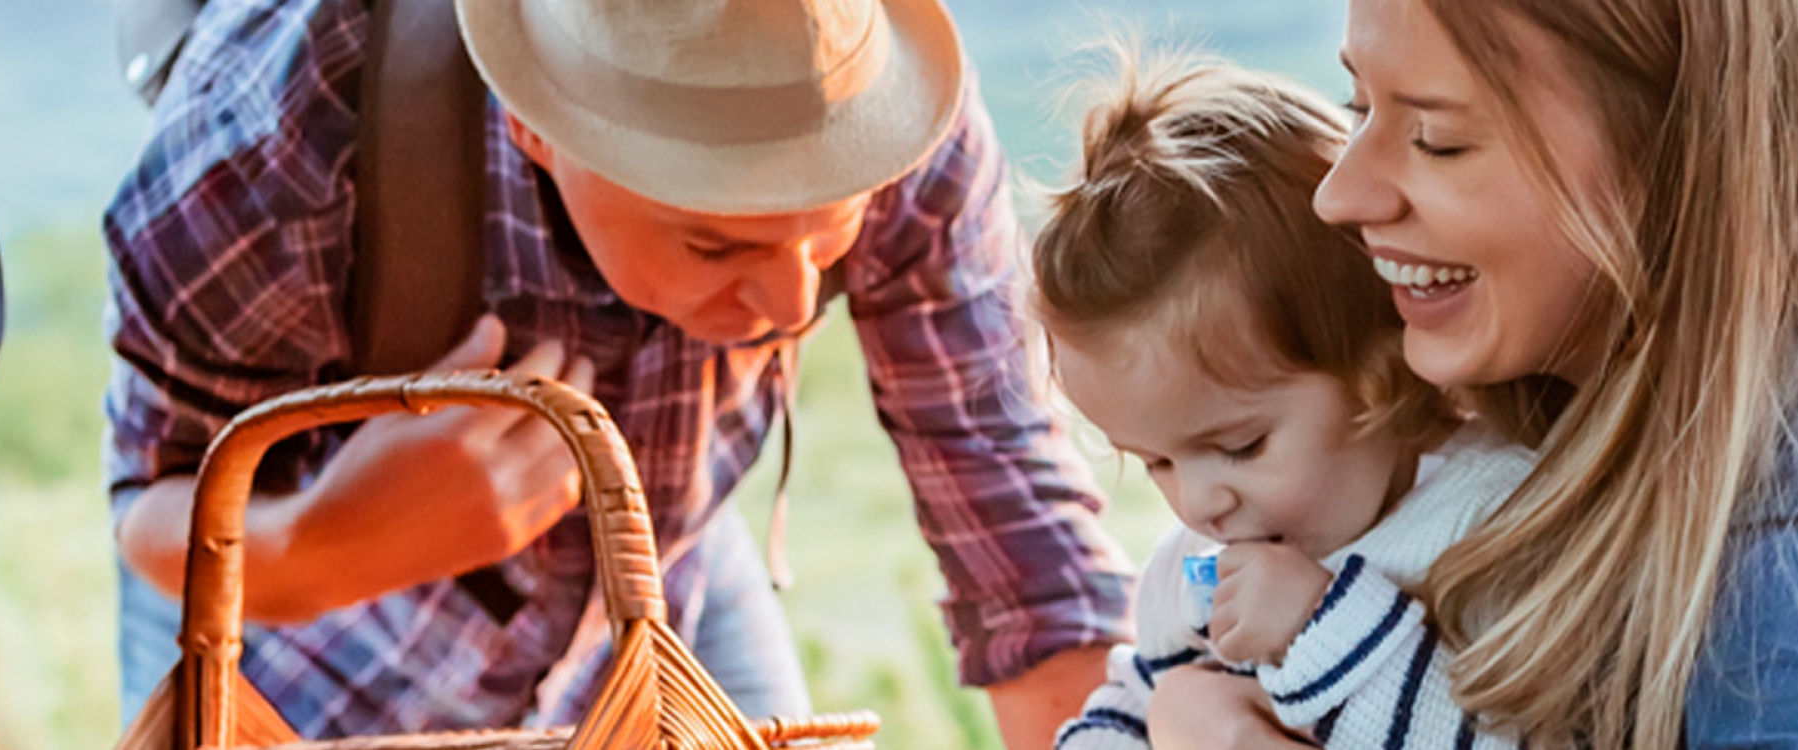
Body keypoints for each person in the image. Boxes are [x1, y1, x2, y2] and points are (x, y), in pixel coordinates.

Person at [100, 0, 1130, 744]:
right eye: (715, 246)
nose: (786, 308)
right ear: (534, 126)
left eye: (827, 239)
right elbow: (148, 502)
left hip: (666, 585)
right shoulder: (282, 135)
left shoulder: (884, 116)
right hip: (312, 655)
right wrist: (337, 542)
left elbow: (1018, 533)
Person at [1147, 0, 1798, 747]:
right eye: (1360, 103)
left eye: (1437, 136)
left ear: (1681, 155)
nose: (1338, 194)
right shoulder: (1782, 293)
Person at [1027, 51, 1538, 750]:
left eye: (1240, 447)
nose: (1201, 504)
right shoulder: (1200, 570)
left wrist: (1318, 627)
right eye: (1158, 464)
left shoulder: (1496, 525)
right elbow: (1129, 705)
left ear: (1382, 369)